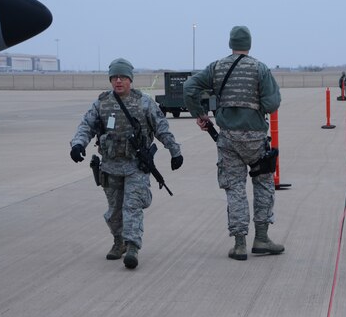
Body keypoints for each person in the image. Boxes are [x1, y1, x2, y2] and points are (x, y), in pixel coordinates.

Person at [69, 58, 184, 269]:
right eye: (114, 77)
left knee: (132, 206)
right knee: (114, 211)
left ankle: (132, 247)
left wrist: (175, 151)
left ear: (130, 80)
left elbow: (162, 128)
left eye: (122, 77)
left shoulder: (144, 103)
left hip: (135, 167)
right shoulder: (102, 103)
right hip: (110, 167)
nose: (118, 81)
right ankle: (118, 241)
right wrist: (78, 144)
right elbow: (86, 125)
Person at [183, 26, 283, 261]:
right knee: (263, 185)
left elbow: (189, 87)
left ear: (230, 43)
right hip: (255, 137)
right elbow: (271, 104)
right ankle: (261, 238)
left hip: (227, 137)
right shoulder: (259, 68)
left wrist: (200, 114)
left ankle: (239, 244)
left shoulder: (217, 67)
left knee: (235, 188)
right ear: (249, 44)